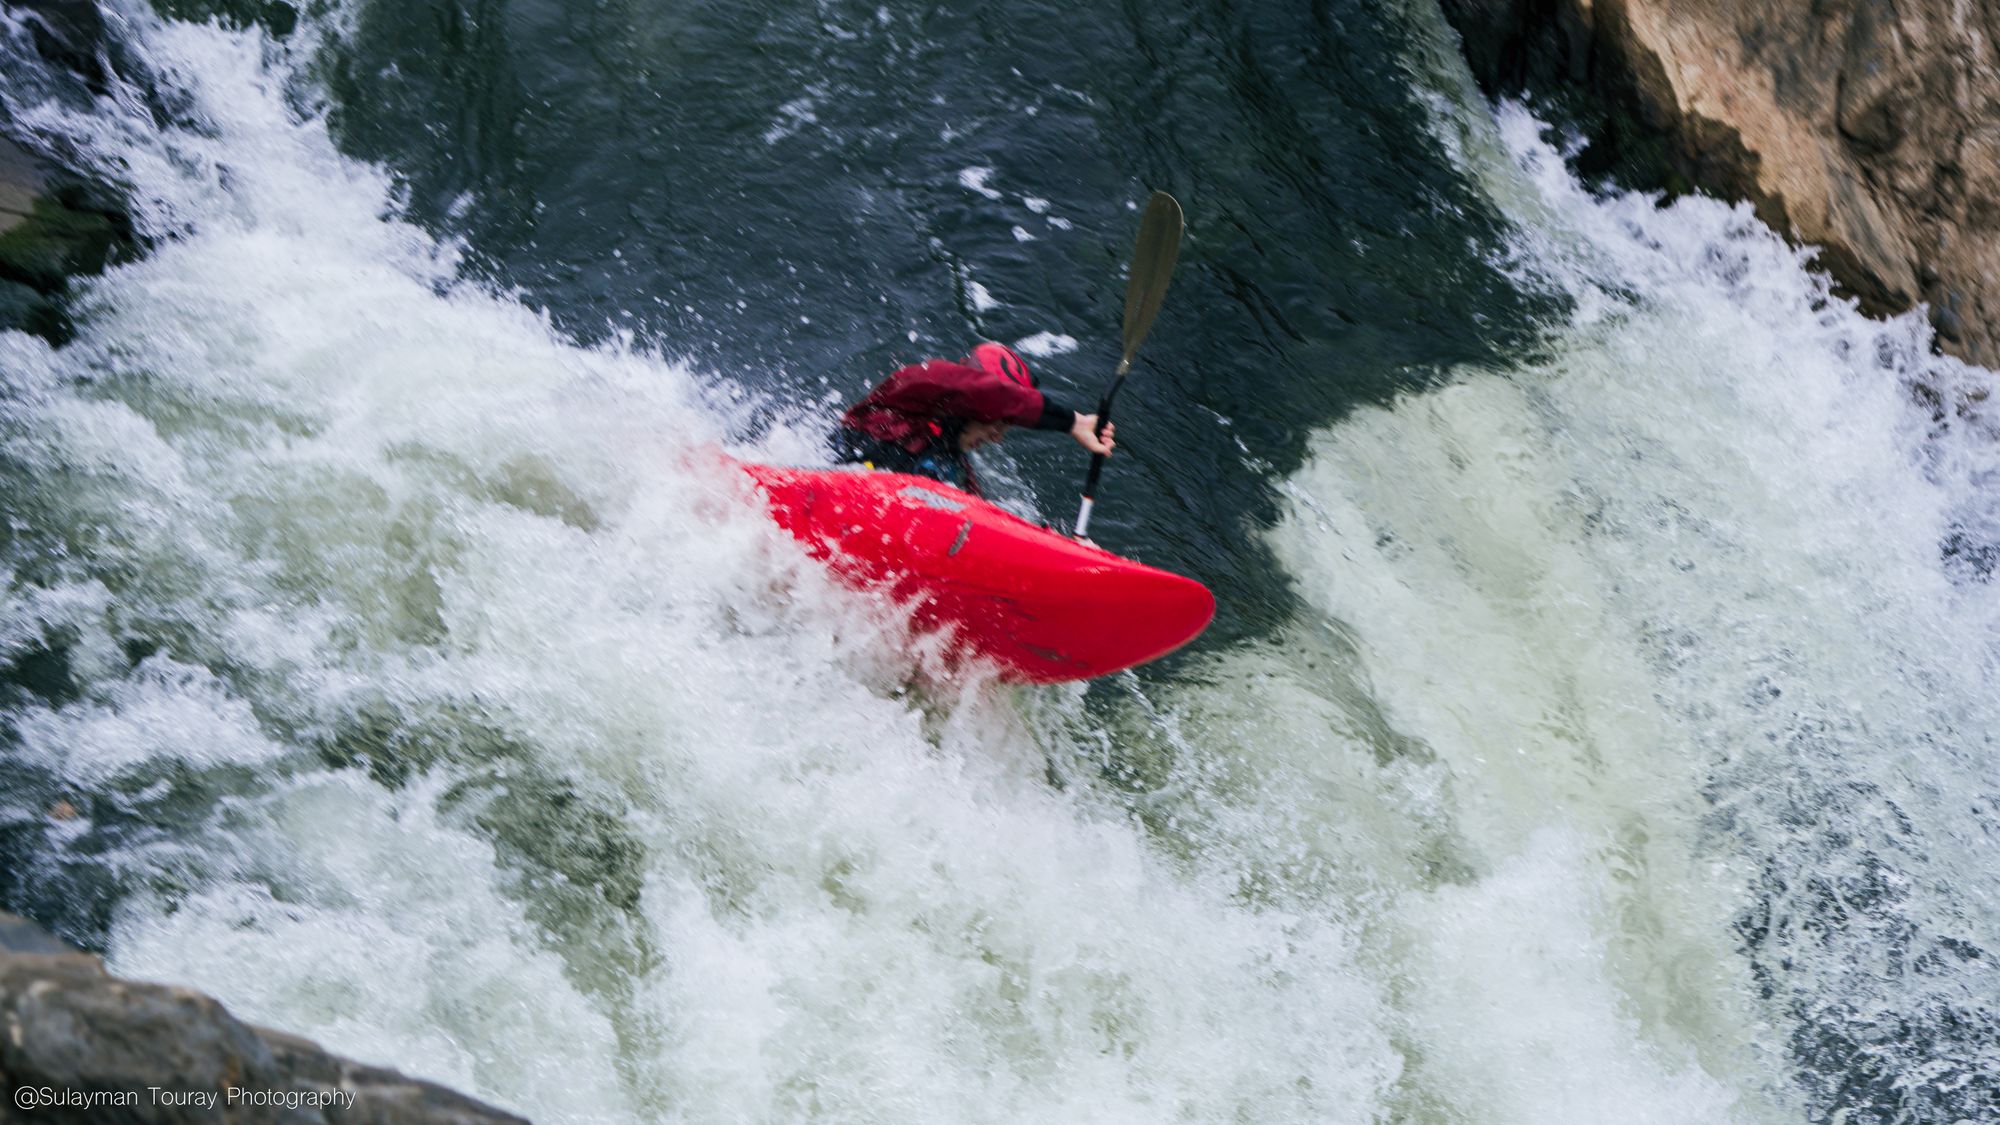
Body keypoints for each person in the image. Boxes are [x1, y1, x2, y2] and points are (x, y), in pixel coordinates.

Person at [831, 342, 1114, 497]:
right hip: (832, 479)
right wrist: (1072, 422)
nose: (997, 438)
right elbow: (987, 393)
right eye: (997, 422)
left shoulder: (953, 462)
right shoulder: (919, 387)